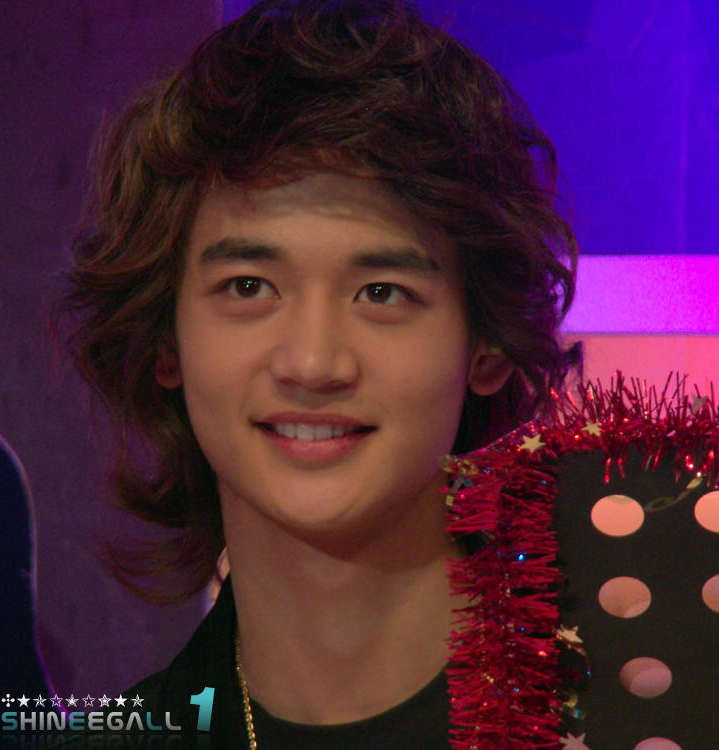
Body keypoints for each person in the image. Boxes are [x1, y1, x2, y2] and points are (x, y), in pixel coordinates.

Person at [62, 0, 577, 746]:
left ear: (487, 347)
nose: (311, 363)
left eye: (382, 293)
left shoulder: (645, 706)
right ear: (166, 340)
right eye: (248, 287)